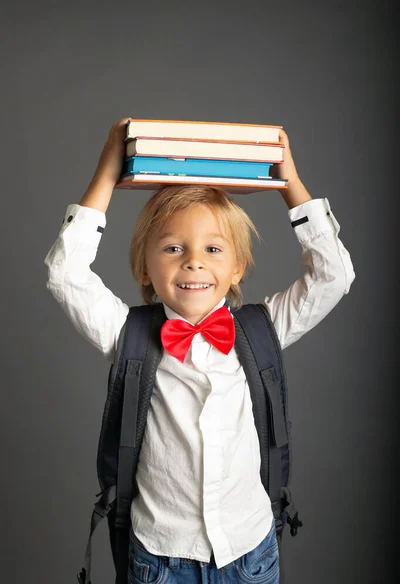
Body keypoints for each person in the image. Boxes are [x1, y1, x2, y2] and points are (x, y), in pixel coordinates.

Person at [44, 117, 355, 584]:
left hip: (249, 551)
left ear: (238, 269)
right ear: (144, 268)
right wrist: (108, 171)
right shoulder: (126, 334)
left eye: (213, 249)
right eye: (171, 248)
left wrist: (289, 182)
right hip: (160, 558)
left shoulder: (263, 329)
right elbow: (64, 274)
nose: (193, 260)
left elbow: (334, 276)